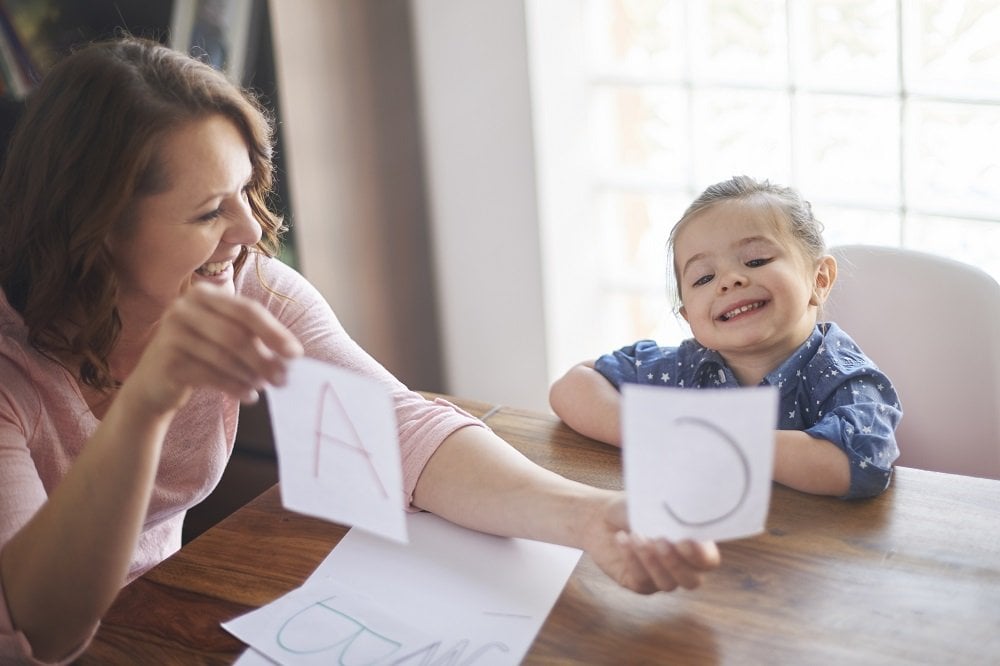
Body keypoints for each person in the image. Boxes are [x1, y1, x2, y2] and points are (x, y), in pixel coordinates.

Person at [0, 36, 720, 664]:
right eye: (209, 211)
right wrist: (146, 408)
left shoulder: (243, 286)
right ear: (97, 226)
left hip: (152, 619)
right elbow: (46, 632)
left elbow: (396, 428)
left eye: (246, 192)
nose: (248, 232)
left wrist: (590, 518)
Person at [550, 176, 902, 500]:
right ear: (689, 318)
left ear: (819, 279)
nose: (729, 280)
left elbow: (861, 462)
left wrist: (716, 441)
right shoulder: (687, 367)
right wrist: (654, 432)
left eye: (756, 260)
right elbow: (573, 386)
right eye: (704, 278)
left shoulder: (839, 373)